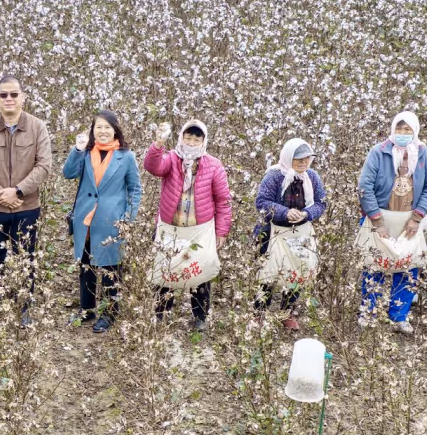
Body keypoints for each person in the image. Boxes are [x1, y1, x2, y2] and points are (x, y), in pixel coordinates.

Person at [0, 75, 53, 322]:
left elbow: (44, 166)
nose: (9, 99)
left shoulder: (37, 127)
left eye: (14, 94)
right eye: (3, 94)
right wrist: (0, 193)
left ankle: (24, 305)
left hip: (26, 206)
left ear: (23, 97)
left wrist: (16, 191)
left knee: (26, 255)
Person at [144, 119, 232, 332]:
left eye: (196, 138)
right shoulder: (172, 159)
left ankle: (200, 316)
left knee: (199, 272)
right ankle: (161, 314)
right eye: (188, 137)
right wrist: (158, 144)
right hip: (170, 227)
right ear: (182, 137)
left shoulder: (213, 164)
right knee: (167, 271)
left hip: (199, 230)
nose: (191, 142)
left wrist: (221, 231)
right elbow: (153, 167)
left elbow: (223, 200)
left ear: (203, 140)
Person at [356, 112, 427, 334]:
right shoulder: (379, 152)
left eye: (407, 130)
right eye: (399, 129)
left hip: (408, 220)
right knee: (375, 264)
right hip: (381, 216)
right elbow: (365, 186)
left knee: (408, 266)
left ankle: (399, 315)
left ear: (415, 131)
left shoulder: (423, 154)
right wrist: (376, 220)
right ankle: (369, 311)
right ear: (392, 129)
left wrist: (417, 217)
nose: (403, 134)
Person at [62, 110, 142, 333]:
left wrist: (128, 219)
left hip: (111, 221)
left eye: (107, 127)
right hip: (85, 220)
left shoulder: (126, 156)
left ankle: (110, 313)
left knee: (110, 269)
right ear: (92, 130)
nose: (103, 131)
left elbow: (135, 190)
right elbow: (68, 173)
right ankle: (87, 309)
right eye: (99, 127)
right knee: (86, 266)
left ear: (115, 130)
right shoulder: (85, 153)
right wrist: (77, 150)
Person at [253, 138, 327, 331]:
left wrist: (307, 213)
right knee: (268, 274)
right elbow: (262, 202)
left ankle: (286, 313)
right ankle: (259, 313)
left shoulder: (312, 177)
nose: (303, 163)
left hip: (301, 232)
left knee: (298, 272)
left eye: (307, 159)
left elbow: (321, 203)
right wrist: (284, 212)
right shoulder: (275, 176)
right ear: (288, 158)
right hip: (274, 230)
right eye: (298, 159)